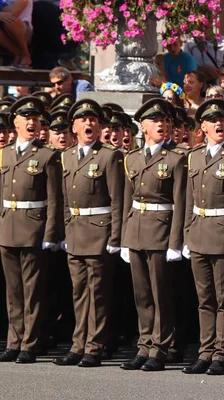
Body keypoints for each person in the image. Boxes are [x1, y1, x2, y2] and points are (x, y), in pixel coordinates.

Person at [52, 99, 124, 368]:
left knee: (98, 293)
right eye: (83, 121)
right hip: (75, 233)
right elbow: (64, 199)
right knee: (79, 292)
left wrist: (115, 237)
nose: (89, 124)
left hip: (99, 233)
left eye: (93, 120)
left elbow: (117, 199)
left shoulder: (109, 155)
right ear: (74, 127)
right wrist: (65, 229)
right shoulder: (67, 156)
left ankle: (94, 346)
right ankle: (78, 344)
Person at [180, 99, 224, 375]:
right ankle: (205, 350)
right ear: (203, 128)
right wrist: (186, 234)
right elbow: (188, 200)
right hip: (198, 233)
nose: (219, 125)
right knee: (204, 298)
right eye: (213, 122)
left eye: (223, 121)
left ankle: (222, 353)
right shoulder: (194, 157)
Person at [119, 98, 187, 372]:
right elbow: (127, 200)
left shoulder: (175, 159)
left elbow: (180, 202)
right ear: (143, 126)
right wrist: (124, 238)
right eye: (156, 121)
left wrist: (175, 242)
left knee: (161, 295)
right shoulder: (132, 158)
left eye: (166, 121)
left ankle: (160, 348)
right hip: (136, 231)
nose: (162, 125)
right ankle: (144, 345)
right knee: (142, 295)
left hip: (161, 231)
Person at [0, 96, 61, 363]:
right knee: (13, 291)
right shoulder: (4, 154)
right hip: (8, 226)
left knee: (33, 291)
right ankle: (14, 341)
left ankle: (30, 343)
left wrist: (50, 234)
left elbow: (55, 199)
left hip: (34, 227)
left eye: (35, 119)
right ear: (15, 123)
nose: (32, 123)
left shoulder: (47, 155)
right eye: (26, 119)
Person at [0, 0, 33, 68]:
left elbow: (13, 14)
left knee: (10, 21)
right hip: (2, 27)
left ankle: (25, 53)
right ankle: (17, 53)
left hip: (22, 29)